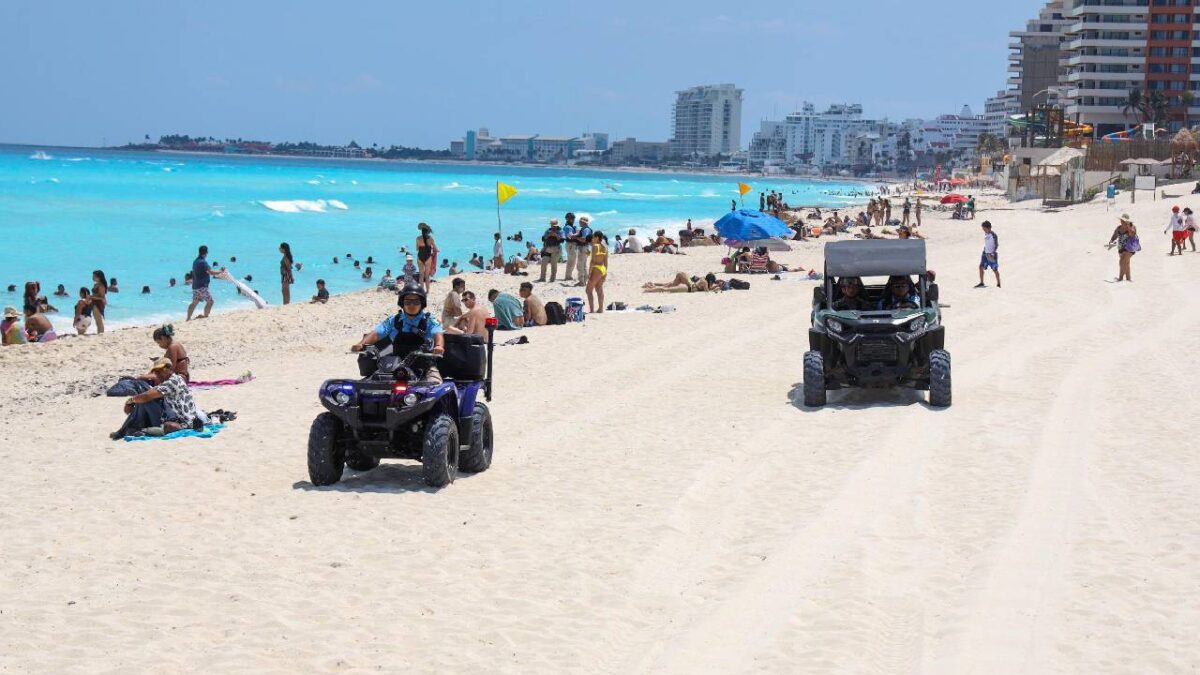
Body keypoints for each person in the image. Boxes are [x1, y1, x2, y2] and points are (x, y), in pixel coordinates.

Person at [351, 283, 445, 384]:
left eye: (416, 302)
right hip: (395, 364)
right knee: (370, 384)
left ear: (422, 303)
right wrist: (361, 344)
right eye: (408, 302)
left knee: (435, 385)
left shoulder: (429, 321)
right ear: (402, 303)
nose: (411, 305)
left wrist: (439, 346)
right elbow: (376, 333)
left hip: (423, 364)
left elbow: (437, 334)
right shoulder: (394, 320)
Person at [112, 358, 200, 439]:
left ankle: (127, 430)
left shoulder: (172, 382)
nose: (157, 374)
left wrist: (130, 401)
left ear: (168, 369)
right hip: (179, 418)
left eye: (159, 371)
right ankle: (130, 429)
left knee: (145, 401)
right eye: (156, 372)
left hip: (182, 423)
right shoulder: (175, 379)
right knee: (144, 400)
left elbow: (146, 396)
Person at [1107, 214, 1139, 282]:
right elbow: (1114, 236)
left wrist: (1128, 227)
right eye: (1121, 220)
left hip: (1129, 248)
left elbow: (1133, 234)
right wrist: (1111, 243)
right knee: (1126, 263)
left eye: (1123, 221)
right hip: (1121, 248)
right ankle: (1128, 279)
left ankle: (1120, 278)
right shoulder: (1118, 228)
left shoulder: (1132, 227)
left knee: (1122, 262)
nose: (1121, 222)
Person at [187, 245, 213, 321]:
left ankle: (188, 318)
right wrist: (221, 272)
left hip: (195, 286)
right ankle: (205, 316)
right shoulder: (203, 262)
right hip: (202, 287)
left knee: (194, 302)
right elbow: (210, 272)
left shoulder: (195, 261)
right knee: (210, 301)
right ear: (206, 252)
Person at [586, 230, 608, 314]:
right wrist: (605, 272)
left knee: (588, 290)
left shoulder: (595, 246)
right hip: (602, 268)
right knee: (599, 289)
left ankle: (591, 310)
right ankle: (600, 309)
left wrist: (589, 272)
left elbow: (592, 261)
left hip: (596, 268)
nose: (592, 239)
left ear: (597, 238)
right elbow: (606, 261)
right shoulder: (605, 246)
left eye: (593, 237)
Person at [975, 221, 1001, 289]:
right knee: (981, 267)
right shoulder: (986, 234)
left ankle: (998, 284)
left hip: (991, 255)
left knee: (994, 269)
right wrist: (984, 251)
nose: (983, 230)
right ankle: (981, 282)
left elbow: (996, 245)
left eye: (984, 228)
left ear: (989, 228)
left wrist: (992, 253)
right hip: (985, 254)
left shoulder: (993, 235)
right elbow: (987, 244)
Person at [415, 223, 438, 292]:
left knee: (421, 275)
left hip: (420, 257)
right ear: (427, 232)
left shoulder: (418, 238)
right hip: (428, 257)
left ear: (421, 231)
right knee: (427, 275)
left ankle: (421, 290)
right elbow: (435, 248)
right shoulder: (430, 238)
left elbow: (417, 248)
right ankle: (427, 291)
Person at [643, 272, 717, 293]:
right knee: (666, 288)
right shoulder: (705, 283)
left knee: (667, 285)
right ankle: (649, 289)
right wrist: (715, 289)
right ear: (710, 281)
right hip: (689, 287)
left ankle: (650, 284)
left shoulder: (703, 278)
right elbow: (707, 291)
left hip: (688, 281)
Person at [571, 216, 593, 285]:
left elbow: (584, 239)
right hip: (586, 248)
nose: (579, 223)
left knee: (580, 265)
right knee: (584, 265)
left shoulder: (586, 230)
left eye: (580, 222)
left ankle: (581, 281)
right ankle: (584, 280)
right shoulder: (585, 229)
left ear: (583, 222)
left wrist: (576, 238)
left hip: (583, 248)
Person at [561, 213, 579, 282]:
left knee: (572, 261)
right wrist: (578, 233)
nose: (572, 220)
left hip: (571, 244)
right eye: (571, 218)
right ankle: (568, 276)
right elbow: (570, 236)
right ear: (567, 219)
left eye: (573, 218)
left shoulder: (570, 226)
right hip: (571, 244)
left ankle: (568, 275)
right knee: (571, 261)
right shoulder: (568, 227)